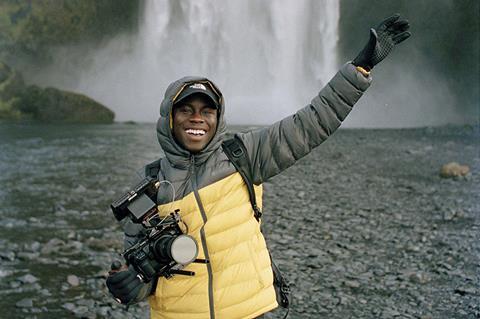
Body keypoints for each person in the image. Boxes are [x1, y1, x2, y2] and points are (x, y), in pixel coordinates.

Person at [106, 14, 411, 319]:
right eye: (185, 110)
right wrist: (130, 285)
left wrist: (361, 67)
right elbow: (141, 266)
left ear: (218, 119)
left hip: (249, 312)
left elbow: (311, 123)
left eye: (206, 110)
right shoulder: (149, 184)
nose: (197, 118)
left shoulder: (244, 155)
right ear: (169, 119)